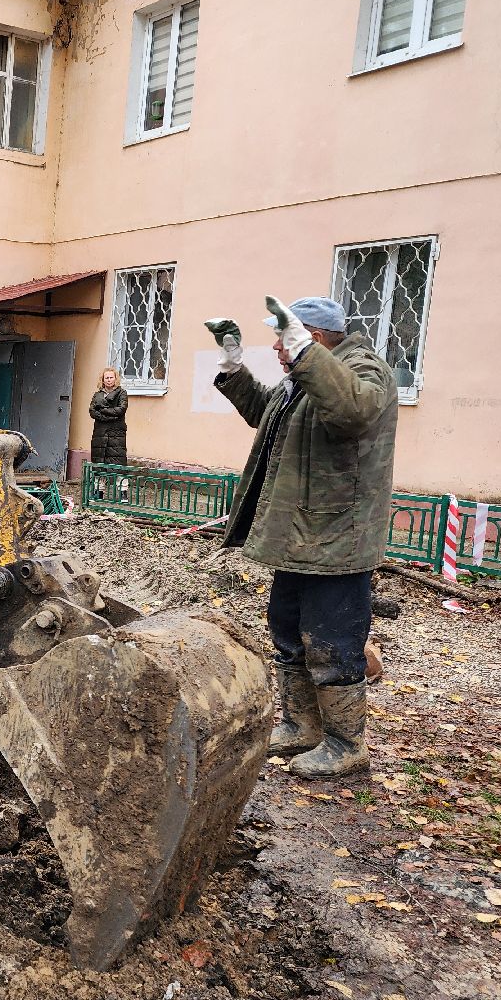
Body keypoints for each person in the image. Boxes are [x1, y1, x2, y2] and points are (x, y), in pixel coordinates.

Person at [204, 296, 397, 778]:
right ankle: (301, 726)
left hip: (338, 536)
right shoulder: (301, 380)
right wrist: (233, 366)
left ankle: (346, 744)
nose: (276, 346)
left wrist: (303, 353)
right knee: (288, 631)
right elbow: (264, 411)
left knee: (332, 642)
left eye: (283, 337)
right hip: (299, 532)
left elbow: (353, 410)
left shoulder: (364, 369)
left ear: (312, 337)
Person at [88, 367, 129, 466]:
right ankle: (99, 476)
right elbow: (92, 411)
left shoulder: (122, 393)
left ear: (115, 379)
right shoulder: (97, 395)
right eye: (106, 378)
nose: (109, 380)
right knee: (99, 459)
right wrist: (107, 417)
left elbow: (121, 409)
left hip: (116, 432)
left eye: (111, 377)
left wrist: (103, 410)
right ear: (103, 380)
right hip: (100, 432)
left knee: (116, 459)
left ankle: (117, 476)